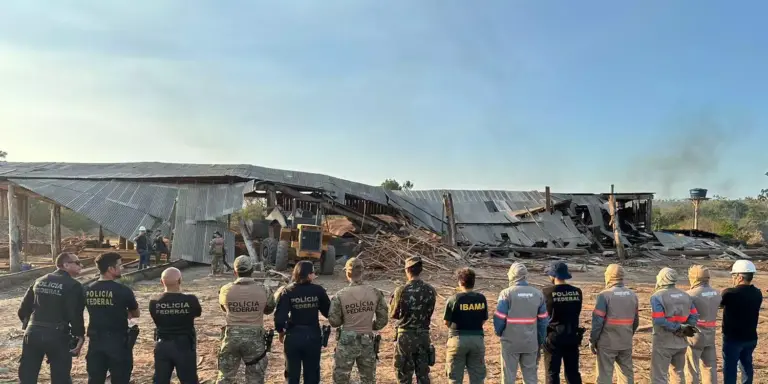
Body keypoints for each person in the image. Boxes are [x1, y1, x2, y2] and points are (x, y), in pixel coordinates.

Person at [18, 252, 85, 384]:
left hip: (32, 334)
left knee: (27, 377)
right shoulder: (73, 285)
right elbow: (75, 314)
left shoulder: (39, 280)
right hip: (57, 335)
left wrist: (31, 326)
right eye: (77, 262)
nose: (81, 265)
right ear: (65, 265)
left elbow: (23, 310)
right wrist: (79, 335)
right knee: (61, 377)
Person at [328, 257, 389, 384]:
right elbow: (382, 319)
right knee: (368, 379)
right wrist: (371, 326)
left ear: (347, 273)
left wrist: (347, 320)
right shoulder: (375, 292)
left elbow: (334, 321)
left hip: (346, 341)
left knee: (340, 378)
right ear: (362, 272)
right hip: (367, 340)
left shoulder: (340, 295)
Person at [217, 255, 276, 384]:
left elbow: (224, 308)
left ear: (235, 272)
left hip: (231, 338)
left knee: (225, 377)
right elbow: (269, 309)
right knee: (255, 378)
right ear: (252, 270)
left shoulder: (225, 289)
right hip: (255, 339)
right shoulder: (264, 289)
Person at [84, 252, 140, 384]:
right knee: (120, 378)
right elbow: (136, 313)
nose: (123, 268)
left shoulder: (87, 289)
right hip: (118, 341)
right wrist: (123, 311)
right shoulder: (123, 290)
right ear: (111, 269)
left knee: (95, 378)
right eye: (120, 265)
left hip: (95, 341)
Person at [275, 260, 331, 384]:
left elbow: (279, 318)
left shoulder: (288, 291)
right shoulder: (318, 291)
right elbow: (329, 313)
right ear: (309, 275)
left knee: (292, 374)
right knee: (311, 374)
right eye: (313, 272)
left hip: (293, 336)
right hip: (312, 336)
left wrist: (281, 331)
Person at [494, 262, 548, 384]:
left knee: (508, 377)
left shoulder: (506, 294)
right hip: (530, 342)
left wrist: (499, 332)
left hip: (510, 342)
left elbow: (499, 318)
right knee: (530, 377)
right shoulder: (537, 294)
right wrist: (540, 339)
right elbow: (543, 321)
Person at [150, 267, 202, 384]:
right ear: (180, 281)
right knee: (189, 380)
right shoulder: (191, 300)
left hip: (162, 344)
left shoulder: (154, 302)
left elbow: (156, 318)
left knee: (160, 379)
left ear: (161, 282)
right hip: (184, 345)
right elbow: (197, 313)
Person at [390, 256, 437, 384]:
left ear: (407, 270)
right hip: (423, 335)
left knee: (404, 375)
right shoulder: (430, 290)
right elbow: (430, 312)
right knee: (423, 375)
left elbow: (393, 314)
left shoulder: (401, 290)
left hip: (405, 336)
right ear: (420, 270)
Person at [590, 264, 639, 384]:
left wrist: (593, 340)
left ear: (608, 276)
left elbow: (597, 322)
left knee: (605, 374)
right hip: (625, 341)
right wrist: (627, 334)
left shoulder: (604, 295)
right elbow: (636, 322)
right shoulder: (632, 295)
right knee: (626, 374)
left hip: (607, 343)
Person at [650, 267, 699, 384]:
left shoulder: (657, 297)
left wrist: (677, 327)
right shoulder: (686, 295)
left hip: (663, 342)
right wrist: (684, 329)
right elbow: (694, 316)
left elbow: (659, 320)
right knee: (678, 374)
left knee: (659, 376)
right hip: (681, 342)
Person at [443, 267, 488, 384]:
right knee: (478, 378)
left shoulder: (454, 299)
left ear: (460, 282)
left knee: (454, 378)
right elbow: (483, 320)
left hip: (457, 340)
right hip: (477, 340)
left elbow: (446, 322)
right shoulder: (481, 298)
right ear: (473, 282)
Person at [720, 260, 762, 384]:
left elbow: (718, 304)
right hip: (751, 338)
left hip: (732, 339)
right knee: (746, 365)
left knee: (730, 368)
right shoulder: (757, 293)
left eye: (733, 275)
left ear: (739, 277)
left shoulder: (729, 293)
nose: (732, 278)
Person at [541, 261, 583, 384]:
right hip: (572, 335)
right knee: (573, 372)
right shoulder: (577, 292)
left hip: (553, 336)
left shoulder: (546, 292)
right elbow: (577, 311)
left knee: (552, 373)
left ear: (553, 276)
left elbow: (543, 316)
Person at [685, 265, 721, 384]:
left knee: (691, 368)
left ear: (694, 278)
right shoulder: (717, 294)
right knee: (710, 367)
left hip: (694, 335)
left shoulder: (689, 295)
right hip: (710, 334)